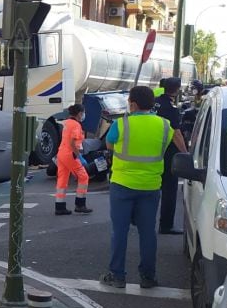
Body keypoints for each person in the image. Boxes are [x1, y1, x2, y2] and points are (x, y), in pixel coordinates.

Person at [101, 85, 172, 289]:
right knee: (148, 232)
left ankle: (117, 276)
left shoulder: (121, 124)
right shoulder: (165, 125)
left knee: (119, 231)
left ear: (132, 103)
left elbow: (109, 145)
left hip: (122, 184)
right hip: (151, 186)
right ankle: (148, 277)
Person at [154, 77, 189, 235]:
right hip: (168, 152)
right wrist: (185, 153)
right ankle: (166, 225)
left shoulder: (155, 102)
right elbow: (176, 133)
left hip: (152, 149)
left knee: (151, 186)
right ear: (177, 90)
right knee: (169, 189)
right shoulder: (171, 108)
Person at [55, 103, 92, 215]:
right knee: (84, 177)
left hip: (61, 153)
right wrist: (79, 156)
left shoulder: (66, 123)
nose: (83, 115)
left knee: (62, 179)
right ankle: (80, 204)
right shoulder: (76, 125)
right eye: (83, 113)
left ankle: (60, 207)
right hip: (70, 154)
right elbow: (72, 143)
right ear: (80, 113)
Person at [181, 82, 206, 147]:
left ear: (199, 89)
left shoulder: (204, 98)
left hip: (200, 121)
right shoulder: (194, 97)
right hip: (193, 121)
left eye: (194, 88)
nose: (192, 90)